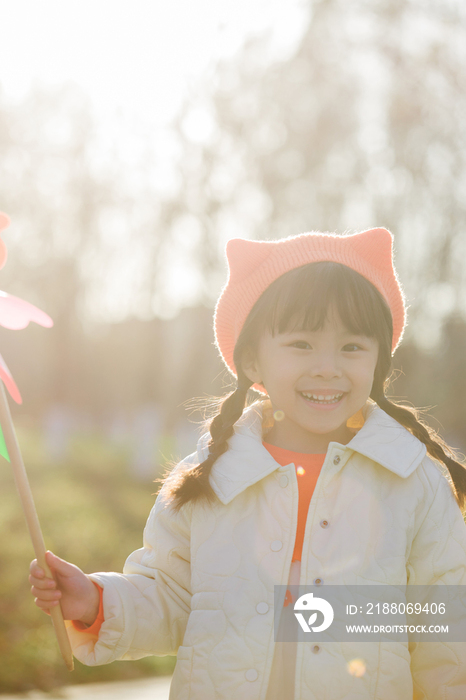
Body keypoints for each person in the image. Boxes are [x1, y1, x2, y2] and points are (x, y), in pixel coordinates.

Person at [29, 228, 466, 699]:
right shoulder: (213, 475)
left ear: (379, 359)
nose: (328, 366)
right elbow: (170, 596)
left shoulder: (412, 480)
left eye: (352, 347)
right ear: (253, 362)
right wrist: (96, 600)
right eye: (301, 344)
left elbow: (445, 632)